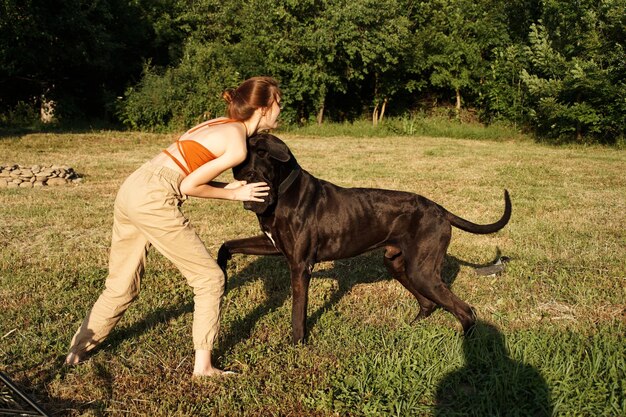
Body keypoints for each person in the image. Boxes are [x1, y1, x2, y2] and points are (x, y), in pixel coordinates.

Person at [65, 76, 281, 377]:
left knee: (121, 286)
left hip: (135, 186)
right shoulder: (238, 144)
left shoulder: (221, 123)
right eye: (278, 102)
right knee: (209, 278)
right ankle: (203, 368)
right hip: (155, 196)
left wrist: (228, 185)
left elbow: (185, 170)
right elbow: (189, 184)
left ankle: (75, 354)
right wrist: (233, 193)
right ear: (262, 107)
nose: (280, 109)